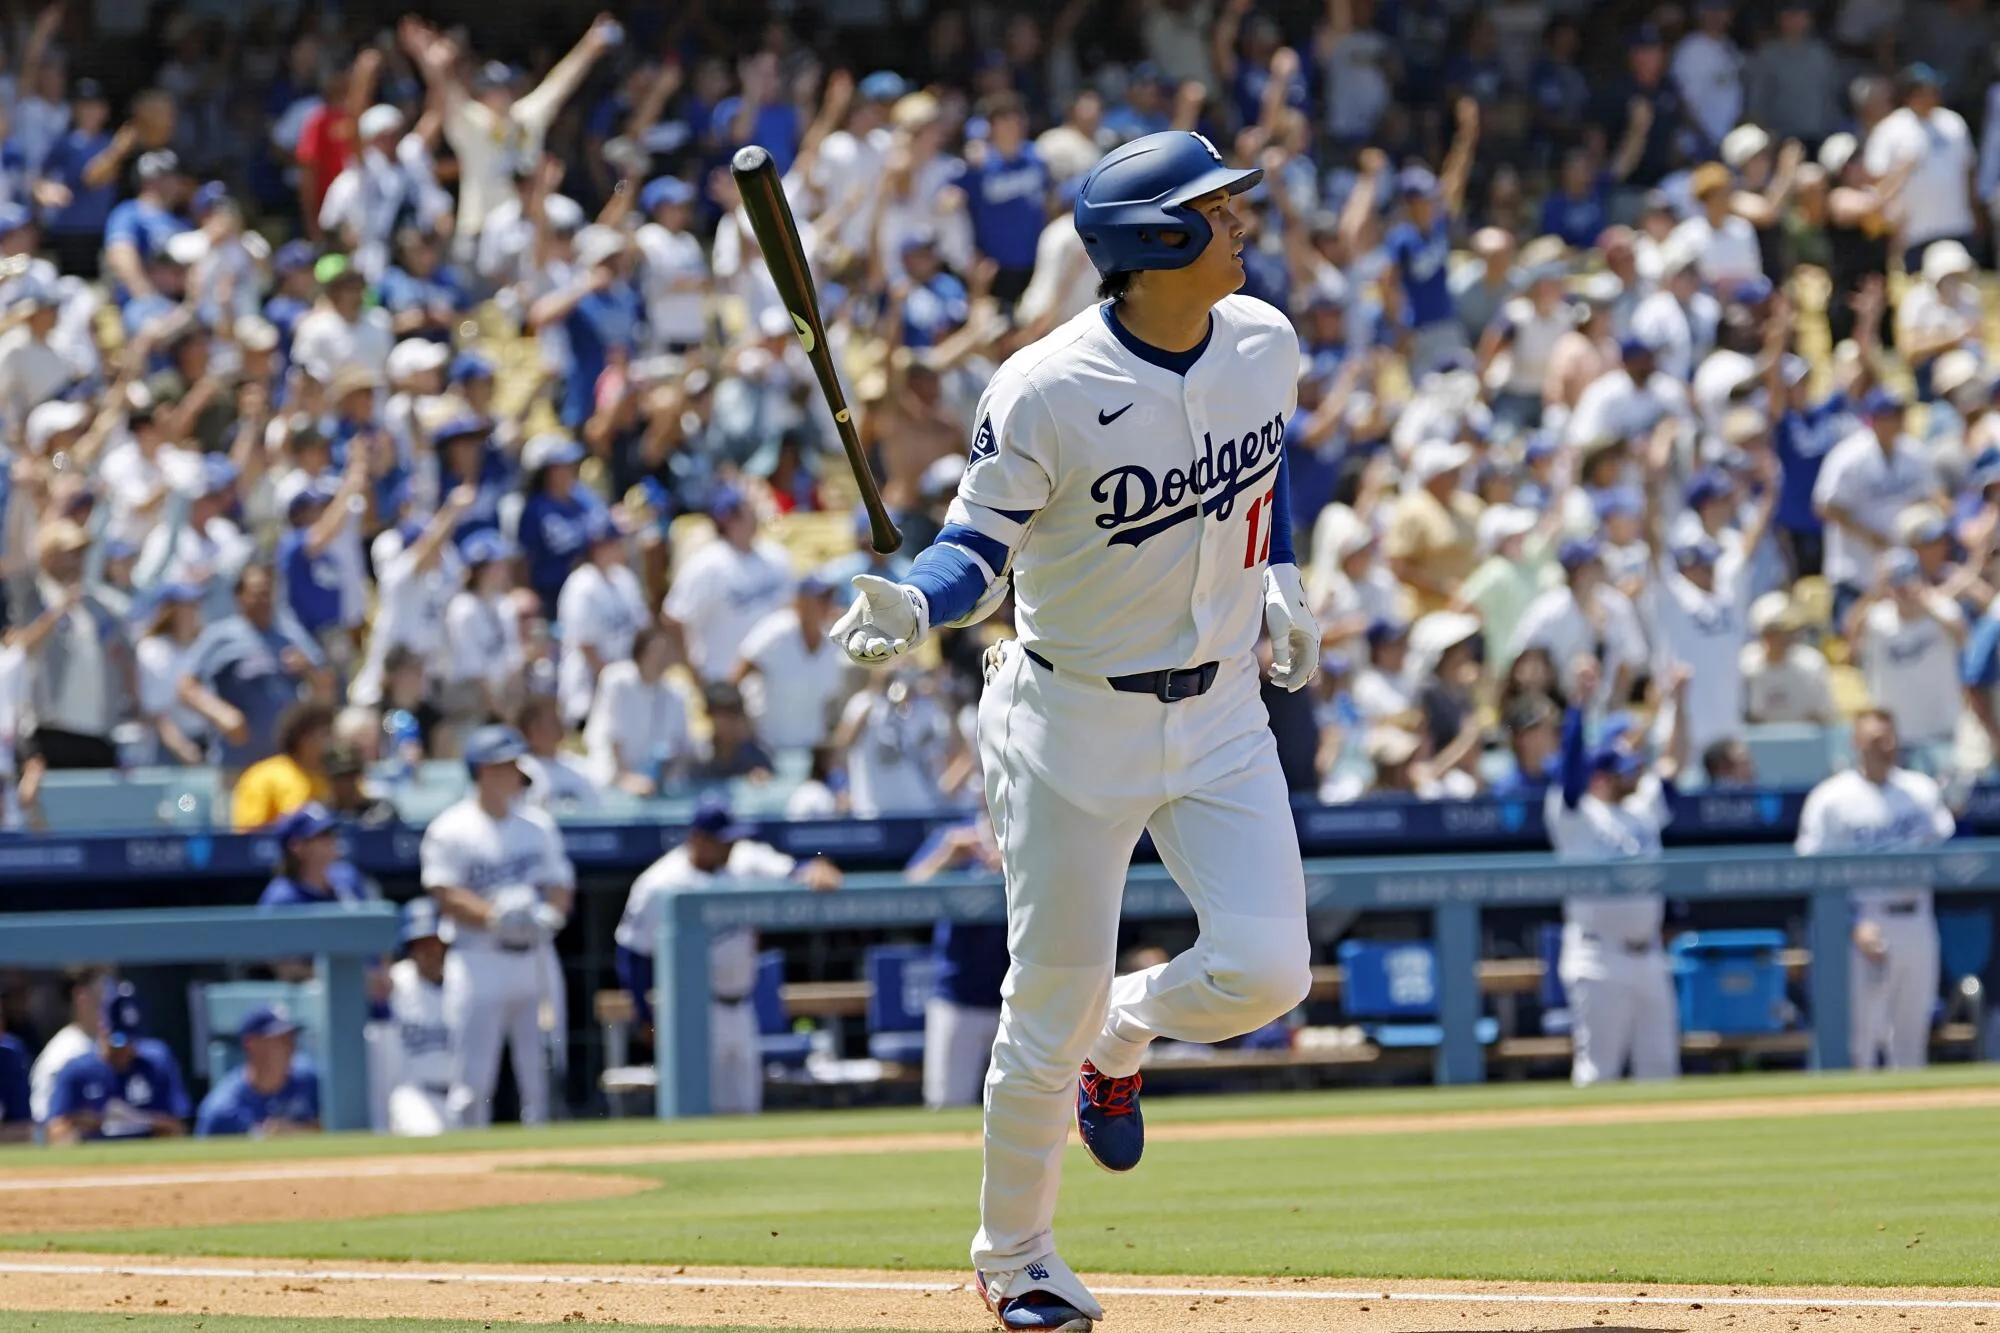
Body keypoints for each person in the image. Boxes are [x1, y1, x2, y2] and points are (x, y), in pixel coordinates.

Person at [828, 131, 1319, 1329]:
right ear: (1154, 244)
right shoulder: (1043, 385)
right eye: (1213, 209)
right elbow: (970, 550)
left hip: (1218, 710)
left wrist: (1286, 580)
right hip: (1068, 720)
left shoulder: (1263, 338)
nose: (1238, 222)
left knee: (1269, 969)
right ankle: (1016, 1257)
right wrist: (911, 604)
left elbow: (1259, 476)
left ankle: (1129, 1027)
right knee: (1044, 1000)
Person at [614, 796, 840, 1112]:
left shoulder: (744, 859)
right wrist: (645, 1017)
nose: (730, 847)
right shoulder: (658, 882)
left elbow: (795, 869)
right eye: (723, 841)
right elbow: (632, 955)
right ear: (698, 839)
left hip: (743, 1006)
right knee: (696, 1111)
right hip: (690, 1009)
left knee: (746, 1109)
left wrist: (816, 864)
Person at [419, 725, 575, 1128]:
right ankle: (469, 1170)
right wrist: (492, 915)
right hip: (479, 959)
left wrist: (551, 914)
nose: (514, 774)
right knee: (472, 1081)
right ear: (484, 770)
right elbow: (444, 892)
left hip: (535, 958)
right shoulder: (450, 828)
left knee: (544, 1076)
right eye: (505, 765)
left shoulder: (537, 824)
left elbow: (560, 884)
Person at [1546, 661, 1692, 1088]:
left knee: (1661, 1071)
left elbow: (1673, 763)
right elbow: (1571, 771)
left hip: (1648, 956)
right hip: (1597, 957)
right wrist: (1579, 705)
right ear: (1601, 777)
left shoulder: (1641, 810)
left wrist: (1679, 704)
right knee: (1598, 1074)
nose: (1634, 775)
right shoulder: (1574, 815)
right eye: (1622, 770)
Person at [1796, 710, 1953, 1069]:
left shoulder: (1921, 790)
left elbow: (1945, 849)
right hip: (1863, 922)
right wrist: (1851, 924)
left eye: (1889, 739)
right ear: (1855, 744)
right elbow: (1812, 868)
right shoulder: (1831, 798)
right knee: (1859, 1042)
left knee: (1912, 1039)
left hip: (1917, 917)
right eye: (1874, 741)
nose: (1885, 748)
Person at [906, 813, 1009, 1111]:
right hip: (958, 995)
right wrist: (945, 858)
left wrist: (1018, 867)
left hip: (1024, 999)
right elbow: (906, 893)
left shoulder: (1037, 831)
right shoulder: (955, 836)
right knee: (947, 1104)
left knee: (1032, 1108)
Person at [45, 982, 190, 1143]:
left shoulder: (156, 1063)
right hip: (93, 1157)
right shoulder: (76, 1071)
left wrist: (141, 1121)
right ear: (102, 1028)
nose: (126, 1050)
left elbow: (180, 1127)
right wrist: (91, 1123)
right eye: (118, 1043)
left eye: (132, 1041)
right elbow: (54, 1132)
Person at [383, 897, 454, 1136]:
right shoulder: (396, 983)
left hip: (461, 1094)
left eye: (435, 943)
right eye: (420, 944)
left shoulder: (466, 984)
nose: (430, 952)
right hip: (414, 1093)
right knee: (428, 1135)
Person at [194, 1005, 321, 1137]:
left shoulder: (310, 1080)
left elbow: (336, 1128)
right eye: (280, 1039)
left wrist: (297, 1131)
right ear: (251, 1044)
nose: (290, 1046)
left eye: (291, 1038)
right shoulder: (223, 1109)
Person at [231, 702, 335, 831]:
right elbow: (248, 830)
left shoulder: (332, 775)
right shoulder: (265, 775)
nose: (331, 741)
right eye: (325, 734)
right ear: (303, 737)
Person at [29, 965, 105, 1124]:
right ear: (81, 996)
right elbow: (44, 1120)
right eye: (102, 997)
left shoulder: (110, 1044)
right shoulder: (62, 1054)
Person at [257, 802, 371, 908]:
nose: (333, 839)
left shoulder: (347, 877)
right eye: (324, 834)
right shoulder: (281, 898)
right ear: (297, 847)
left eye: (333, 832)